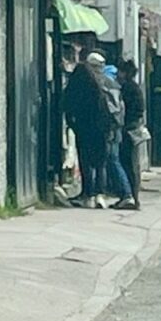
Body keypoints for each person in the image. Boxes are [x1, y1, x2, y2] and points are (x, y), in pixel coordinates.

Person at [64, 59, 111, 209]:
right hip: (101, 130)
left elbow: (67, 107)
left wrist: (73, 125)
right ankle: (100, 195)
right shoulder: (97, 89)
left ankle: (88, 194)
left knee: (85, 162)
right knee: (100, 163)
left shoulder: (75, 89)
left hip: (83, 129)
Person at [102, 64, 136, 210]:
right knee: (115, 161)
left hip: (114, 129)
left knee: (114, 161)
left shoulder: (111, 88)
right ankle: (125, 194)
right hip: (119, 128)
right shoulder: (118, 87)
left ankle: (126, 194)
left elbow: (112, 110)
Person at [117, 59, 146, 209]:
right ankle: (132, 197)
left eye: (120, 71)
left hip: (128, 129)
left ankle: (131, 197)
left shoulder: (128, 88)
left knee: (128, 163)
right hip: (133, 128)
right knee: (132, 164)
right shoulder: (134, 88)